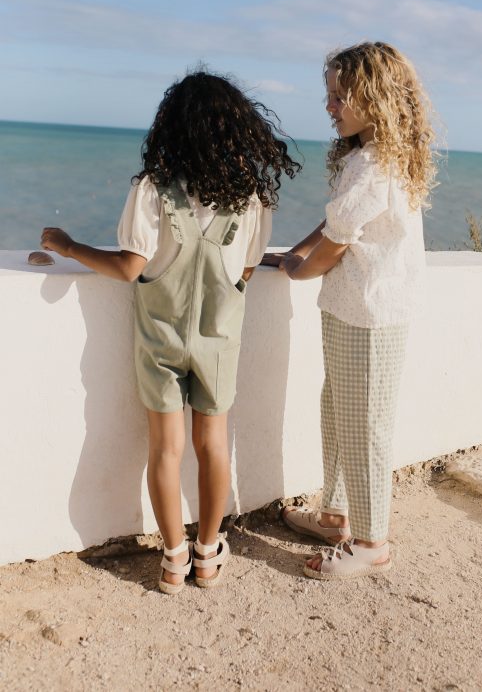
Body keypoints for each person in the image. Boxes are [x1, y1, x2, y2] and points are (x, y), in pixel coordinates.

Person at [42, 68, 301, 594]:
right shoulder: (251, 197)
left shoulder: (153, 189)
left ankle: (172, 559)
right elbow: (246, 270)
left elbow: (130, 267)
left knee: (165, 450)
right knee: (214, 447)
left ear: (172, 127)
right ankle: (208, 555)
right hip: (219, 343)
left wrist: (69, 248)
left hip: (160, 342)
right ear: (238, 130)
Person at [266, 41, 437, 581]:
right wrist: (298, 248)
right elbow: (336, 224)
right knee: (337, 409)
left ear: (376, 99)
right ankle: (338, 513)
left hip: (370, 311)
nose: (330, 106)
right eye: (331, 95)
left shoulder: (374, 166)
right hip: (354, 308)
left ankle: (370, 542)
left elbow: (336, 245)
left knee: (362, 424)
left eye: (341, 97)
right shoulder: (376, 157)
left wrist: (297, 269)